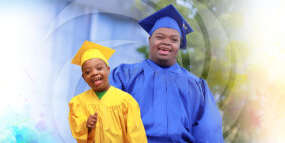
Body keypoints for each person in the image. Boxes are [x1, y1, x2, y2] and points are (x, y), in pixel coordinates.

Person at [110, 4, 224, 143]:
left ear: (179, 46)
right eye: (160, 37)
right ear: (149, 40)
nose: (166, 42)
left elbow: (209, 131)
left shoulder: (196, 86)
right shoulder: (124, 76)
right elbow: (108, 118)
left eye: (174, 39)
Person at [68, 41, 147, 143]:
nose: (94, 73)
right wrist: (85, 125)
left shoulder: (126, 101)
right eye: (88, 72)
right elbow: (77, 131)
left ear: (108, 69)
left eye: (99, 68)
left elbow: (136, 135)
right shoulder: (78, 102)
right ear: (84, 77)